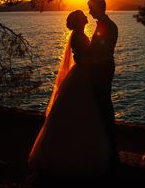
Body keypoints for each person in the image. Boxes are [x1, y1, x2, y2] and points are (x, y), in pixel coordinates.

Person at [28, 10, 111, 180]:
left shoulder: (79, 34)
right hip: (82, 74)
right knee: (80, 111)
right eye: (84, 17)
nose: (87, 17)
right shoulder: (78, 36)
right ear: (80, 21)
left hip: (82, 74)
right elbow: (81, 58)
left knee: (77, 112)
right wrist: (99, 60)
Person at [87, 0, 119, 170]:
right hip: (103, 67)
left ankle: (109, 146)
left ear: (99, 8)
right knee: (102, 104)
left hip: (102, 69)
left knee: (103, 104)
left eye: (91, 8)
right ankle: (106, 144)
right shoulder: (105, 25)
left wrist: (83, 60)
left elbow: (100, 52)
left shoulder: (106, 26)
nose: (89, 11)